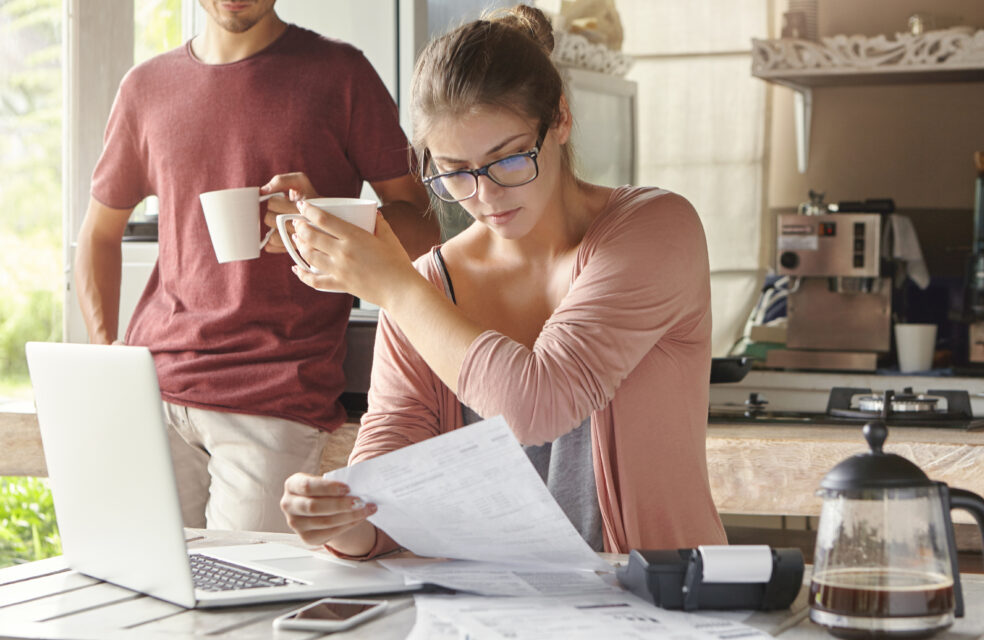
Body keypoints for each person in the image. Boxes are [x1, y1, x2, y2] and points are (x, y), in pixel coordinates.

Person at [279, 5, 726, 556]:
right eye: (455, 172)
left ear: (559, 119)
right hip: (497, 615)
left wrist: (395, 288)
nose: (485, 197)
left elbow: (537, 405)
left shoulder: (655, 230)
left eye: (509, 160)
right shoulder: (428, 285)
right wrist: (337, 520)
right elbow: (387, 495)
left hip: (656, 610)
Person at [75, 0, 439, 533]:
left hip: (275, 397)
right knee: (144, 589)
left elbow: (424, 226)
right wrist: (107, 357)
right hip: (151, 390)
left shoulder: (342, 76)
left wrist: (322, 217)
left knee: (245, 598)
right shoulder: (144, 88)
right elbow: (99, 235)